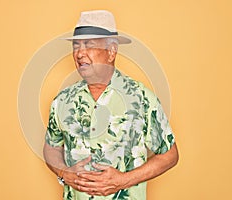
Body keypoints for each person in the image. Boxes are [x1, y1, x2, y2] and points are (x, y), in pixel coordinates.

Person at [43, 10, 179, 200]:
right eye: (76, 46)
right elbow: (51, 147)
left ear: (112, 51)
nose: (80, 53)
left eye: (88, 45)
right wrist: (64, 173)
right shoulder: (62, 101)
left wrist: (124, 180)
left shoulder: (141, 98)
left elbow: (170, 155)